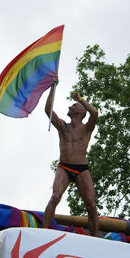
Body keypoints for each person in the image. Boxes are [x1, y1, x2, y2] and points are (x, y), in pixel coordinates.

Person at [43, 76, 99, 236]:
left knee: (91, 205)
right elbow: (48, 110)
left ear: (81, 111)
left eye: (73, 105)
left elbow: (94, 112)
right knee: (55, 196)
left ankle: (96, 240)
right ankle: (43, 232)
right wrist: (53, 87)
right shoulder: (63, 127)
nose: (70, 105)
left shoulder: (87, 128)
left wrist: (80, 98)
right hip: (64, 167)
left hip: (82, 168)